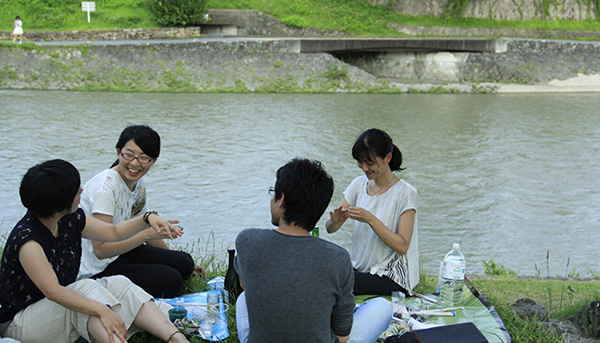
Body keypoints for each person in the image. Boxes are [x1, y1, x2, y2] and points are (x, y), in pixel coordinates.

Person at [0, 159, 189, 343]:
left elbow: (113, 232)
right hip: (20, 323)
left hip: (54, 311)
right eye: (76, 190)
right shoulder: (28, 241)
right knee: (84, 292)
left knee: (118, 283)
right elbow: (54, 292)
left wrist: (147, 219)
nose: (82, 190)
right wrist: (102, 310)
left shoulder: (70, 218)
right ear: (59, 203)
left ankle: (175, 338)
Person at [234, 158, 392, 343]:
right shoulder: (338, 258)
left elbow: (247, 285)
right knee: (382, 306)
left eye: (273, 193)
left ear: (281, 199)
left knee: (243, 300)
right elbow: (342, 337)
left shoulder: (247, 240)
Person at [79, 125, 203, 298]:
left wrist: (171, 255)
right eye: (129, 155)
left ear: (154, 160)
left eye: (143, 158)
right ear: (118, 152)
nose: (134, 163)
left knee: (185, 262)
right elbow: (101, 250)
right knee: (172, 281)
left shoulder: (137, 184)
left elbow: (143, 226)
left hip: (120, 252)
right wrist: (146, 236)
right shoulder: (104, 189)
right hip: (97, 268)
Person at [326, 128, 419, 296]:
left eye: (370, 163)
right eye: (361, 162)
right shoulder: (358, 185)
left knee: (334, 281)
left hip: (391, 276)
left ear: (387, 158)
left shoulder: (406, 193)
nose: (364, 168)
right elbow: (330, 229)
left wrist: (370, 219)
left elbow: (402, 246)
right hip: (361, 270)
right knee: (325, 270)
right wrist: (335, 220)